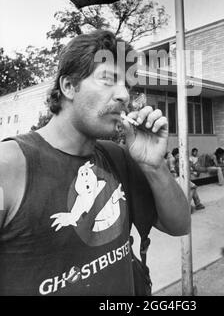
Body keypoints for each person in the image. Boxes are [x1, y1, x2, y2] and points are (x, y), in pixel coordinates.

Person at [0, 30, 190, 296]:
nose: (124, 95)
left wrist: (154, 167)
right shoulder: (9, 166)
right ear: (68, 87)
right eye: (108, 80)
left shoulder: (118, 157)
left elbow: (180, 225)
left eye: (127, 85)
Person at [171, 148, 205, 212]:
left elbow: (190, 168)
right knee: (193, 188)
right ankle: (187, 205)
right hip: (179, 180)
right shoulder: (177, 163)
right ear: (175, 156)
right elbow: (181, 173)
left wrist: (192, 170)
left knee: (192, 187)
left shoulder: (181, 161)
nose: (179, 156)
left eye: (179, 155)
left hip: (181, 179)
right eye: (177, 155)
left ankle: (197, 204)